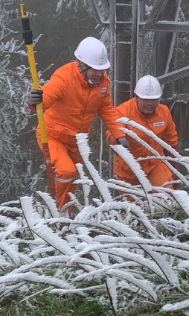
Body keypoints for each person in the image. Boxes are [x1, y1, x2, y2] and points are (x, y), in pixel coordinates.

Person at [27, 36, 127, 210]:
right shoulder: (64, 77)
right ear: (81, 65)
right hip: (52, 135)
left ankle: (64, 213)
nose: (99, 74)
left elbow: (107, 110)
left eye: (102, 69)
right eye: (95, 69)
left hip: (76, 140)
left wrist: (120, 134)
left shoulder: (101, 84)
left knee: (73, 179)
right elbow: (49, 94)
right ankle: (57, 211)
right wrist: (36, 102)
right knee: (67, 171)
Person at [108, 75, 179, 190]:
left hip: (155, 164)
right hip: (129, 169)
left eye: (154, 99)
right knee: (132, 205)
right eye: (145, 99)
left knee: (165, 192)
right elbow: (112, 135)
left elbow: (172, 144)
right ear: (136, 97)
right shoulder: (122, 112)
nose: (150, 104)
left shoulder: (164, 112)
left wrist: (176, 174)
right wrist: (118, 140)